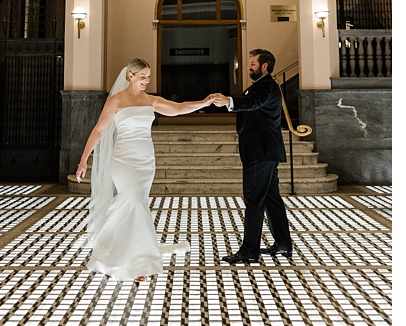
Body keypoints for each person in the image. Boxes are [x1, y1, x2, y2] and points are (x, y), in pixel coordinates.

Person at [76, 59, 213, 282]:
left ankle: (120, 251)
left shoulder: (150, 100)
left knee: (134, 205)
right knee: (136, 203)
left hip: (145, 160)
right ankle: (140, 263)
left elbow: (177, 109)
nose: (146, 81)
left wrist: (203, 103)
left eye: (148, 77)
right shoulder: (116, 100)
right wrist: (84, 159)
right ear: (130, 76)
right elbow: (100, 130)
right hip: (123, 159)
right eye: (142, 77)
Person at [211, 49, 293, 264]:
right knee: (271, 198)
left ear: (265, 66)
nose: (249, 66)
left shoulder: (266, 86)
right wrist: (231, 101)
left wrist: (228, 101)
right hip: (265, 151)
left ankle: (249, 251)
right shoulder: (261, 86)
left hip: (260, 152)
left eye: (253, 64)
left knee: (254, 199)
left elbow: (252, 103)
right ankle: (283, 244)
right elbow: (251, 103)